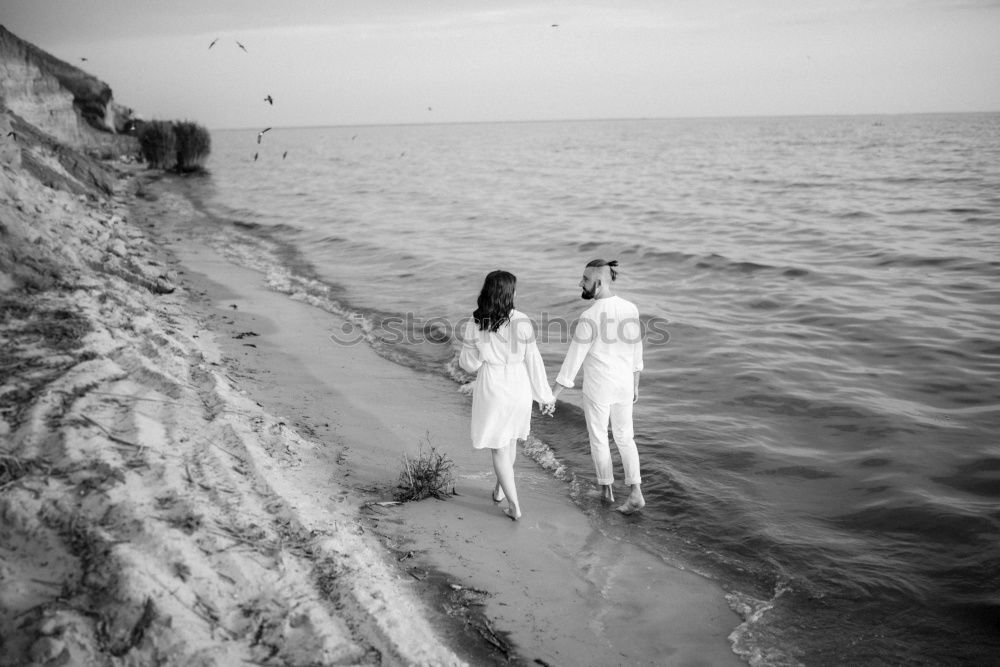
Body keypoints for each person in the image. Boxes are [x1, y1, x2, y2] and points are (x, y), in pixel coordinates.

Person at [549, 259, 646, 514]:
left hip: (600, 387)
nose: (580, 283)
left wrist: (553, 394)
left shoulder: (589, 316)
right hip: (624, 384)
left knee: (600, 439)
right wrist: (636, 383)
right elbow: (637, 349)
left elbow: (574, 359)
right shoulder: (630, 308)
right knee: (626, 438)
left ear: (599, 283)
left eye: (585, 279)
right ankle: (635, 492)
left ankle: (607, 492)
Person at [459, 270, 555, 520]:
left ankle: (514, 504)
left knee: (499, 448)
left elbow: (470, 364)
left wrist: (478, 350)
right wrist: (544, 396)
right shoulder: (523, 321)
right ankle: (501, 488)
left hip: (493, 386)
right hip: (519, 386)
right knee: (510, 441)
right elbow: (534, 361)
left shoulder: (477, 320)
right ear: (508, 293)